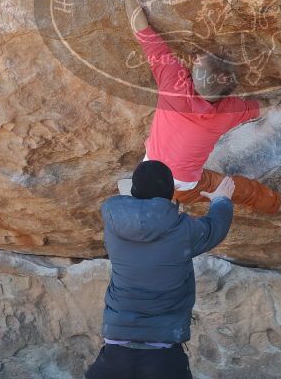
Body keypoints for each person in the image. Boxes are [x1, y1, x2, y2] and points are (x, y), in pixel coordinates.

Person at [120, 0, 281, 216]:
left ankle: (162, 203)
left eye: (198, 61)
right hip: (187, 185)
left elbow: (142, 30)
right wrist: (279, 99)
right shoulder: (229, 110)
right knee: (240, 190)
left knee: (166, 171)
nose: (195, 58)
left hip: (150, 172)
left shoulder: (172, 82)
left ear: (192, 75)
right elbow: (262, 108)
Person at [86, 160, 235, 379]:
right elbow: (215, 227)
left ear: (133, 190)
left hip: (115, 352)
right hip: (163, 355)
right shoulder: (183, 229)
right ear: (169, 194)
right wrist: (221, 200)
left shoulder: (113, 223)